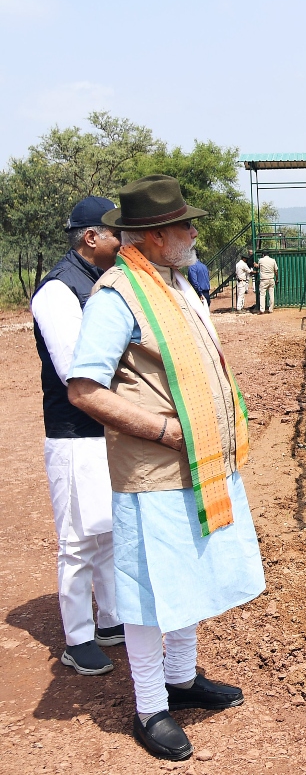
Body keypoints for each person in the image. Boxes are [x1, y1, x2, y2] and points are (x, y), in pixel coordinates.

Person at [67, 175, 265, 761]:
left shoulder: (172, 283)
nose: (194, 231)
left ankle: (181, 678)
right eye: (184, 224)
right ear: (154, 237)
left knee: (188, 577)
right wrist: (162, 431)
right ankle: (150, 705)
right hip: (155, 468)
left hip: (199, 461)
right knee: (153, 588)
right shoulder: (117, 297)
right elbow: (83, 389)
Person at [29, 196, 125, 676]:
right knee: (76, 540)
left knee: (107, 531)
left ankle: (109, 621)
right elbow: (76, 372)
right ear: (92, 238)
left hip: (105, 428)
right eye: (115, 233)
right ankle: (78, 637)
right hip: (74, 435)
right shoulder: (58, 291)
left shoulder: (100, 284)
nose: (122, 240)